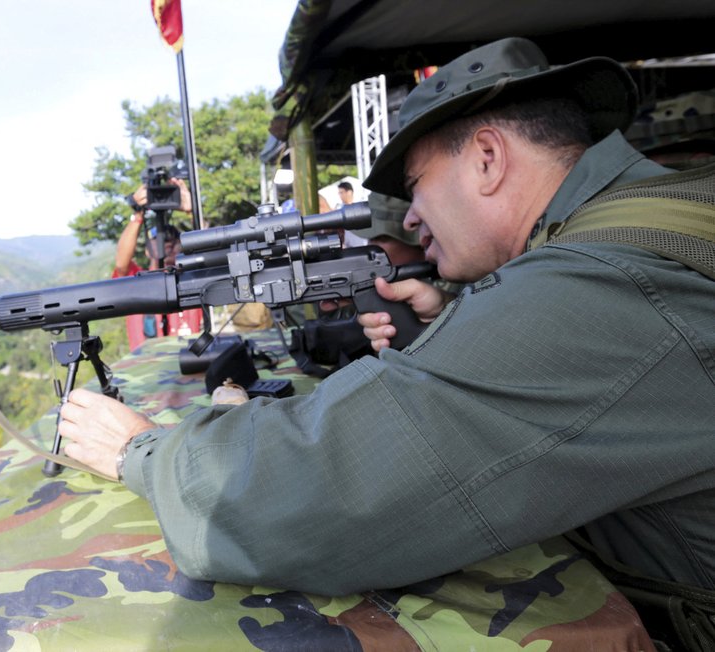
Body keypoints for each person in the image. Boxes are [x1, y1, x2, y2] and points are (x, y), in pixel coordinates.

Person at [56, 37, 715, 606]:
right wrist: (454, 331)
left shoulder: (597, 285)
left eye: (417, 183)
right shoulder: (658, 213)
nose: (409, 218)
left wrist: (142, 451)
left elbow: (318, 500)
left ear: (487, 158)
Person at [114, 178, 202, 350]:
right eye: (158, 238)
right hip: (148, 369)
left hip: (189, 365)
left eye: (174, 238)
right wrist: (138, 213)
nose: (167, 242)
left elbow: (211, 251)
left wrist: (193, 212)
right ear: (147, 249)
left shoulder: (193, 280)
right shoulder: (135, 282)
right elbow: (121, 264)